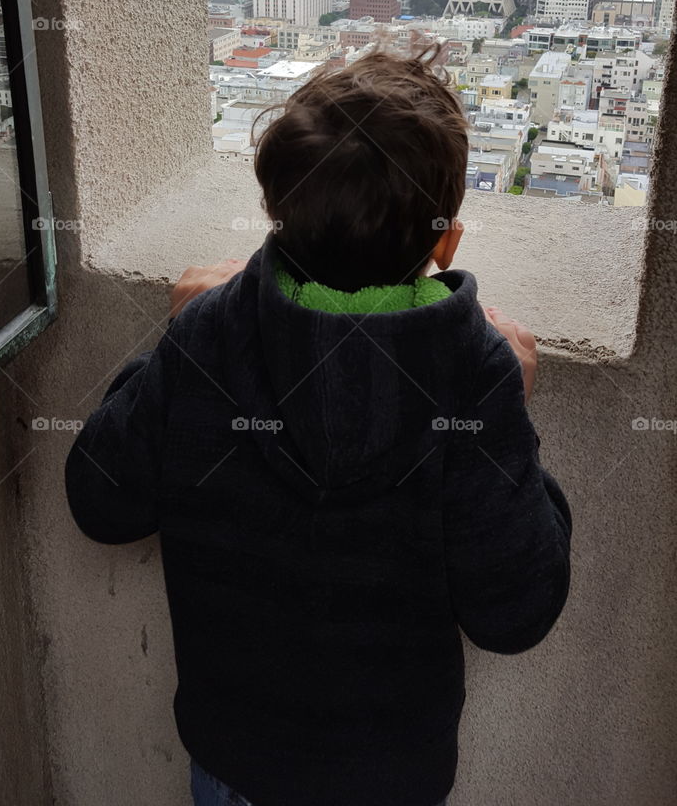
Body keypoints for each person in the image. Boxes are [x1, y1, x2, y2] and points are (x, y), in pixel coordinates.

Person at [66, 44, 571, 806]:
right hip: (391, 776)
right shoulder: (469, 374)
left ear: (276, 208)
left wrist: (174, 343)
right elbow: (515, 613)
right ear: (444, 240)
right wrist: (509, 421)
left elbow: (101, 502)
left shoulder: (210, 338)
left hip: (232, 759)